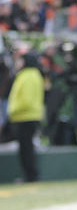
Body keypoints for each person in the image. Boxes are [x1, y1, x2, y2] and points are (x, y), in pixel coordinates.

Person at [7, 50, 45, 183]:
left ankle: (30, 176)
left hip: (24, 117)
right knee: (26, 148)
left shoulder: (28, 75)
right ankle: (30, 175)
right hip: (28, 116)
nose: (18, 63)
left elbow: (26, 101)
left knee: (26, 149)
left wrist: (12, 110)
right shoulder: (33, 75)